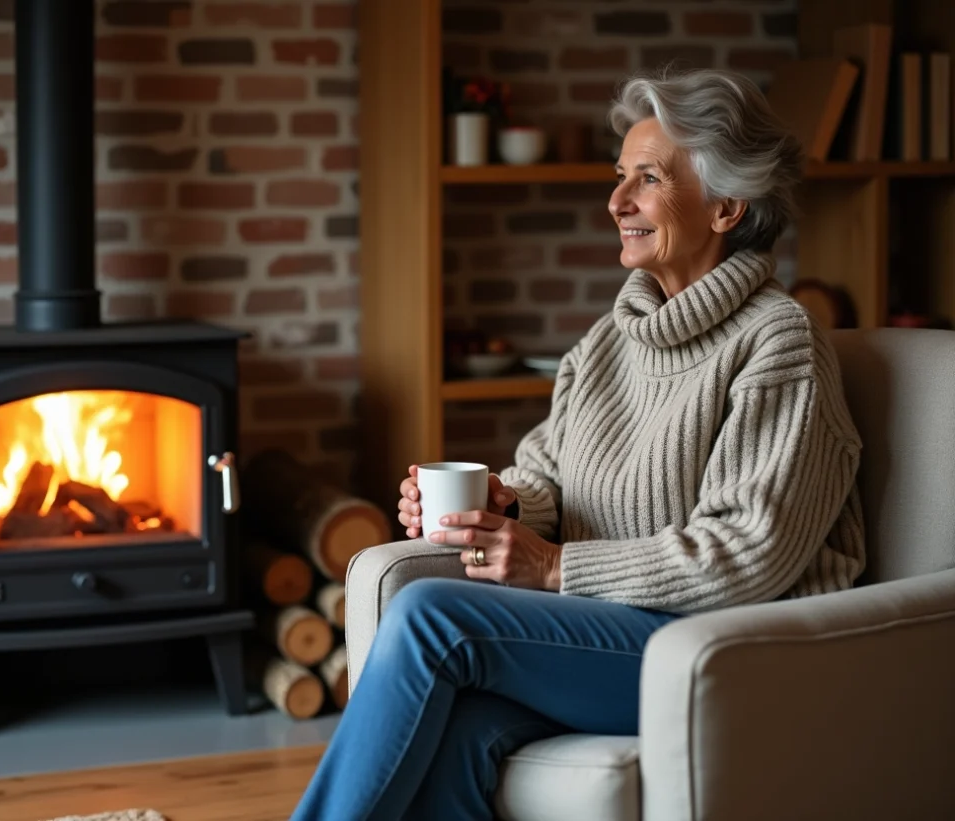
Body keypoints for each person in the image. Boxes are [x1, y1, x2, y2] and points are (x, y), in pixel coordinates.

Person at [289, 68, 866, 821]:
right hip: (624, 631)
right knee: (466, 730)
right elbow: (549, 479)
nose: (616, 202)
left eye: (647, 179)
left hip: (730, 646)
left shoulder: (779, 342)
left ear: (727, 206)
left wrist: (556, 566)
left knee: (434, 614)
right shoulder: (607, 344)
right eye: (619, 176)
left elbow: (750, 550)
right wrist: (502, 504)